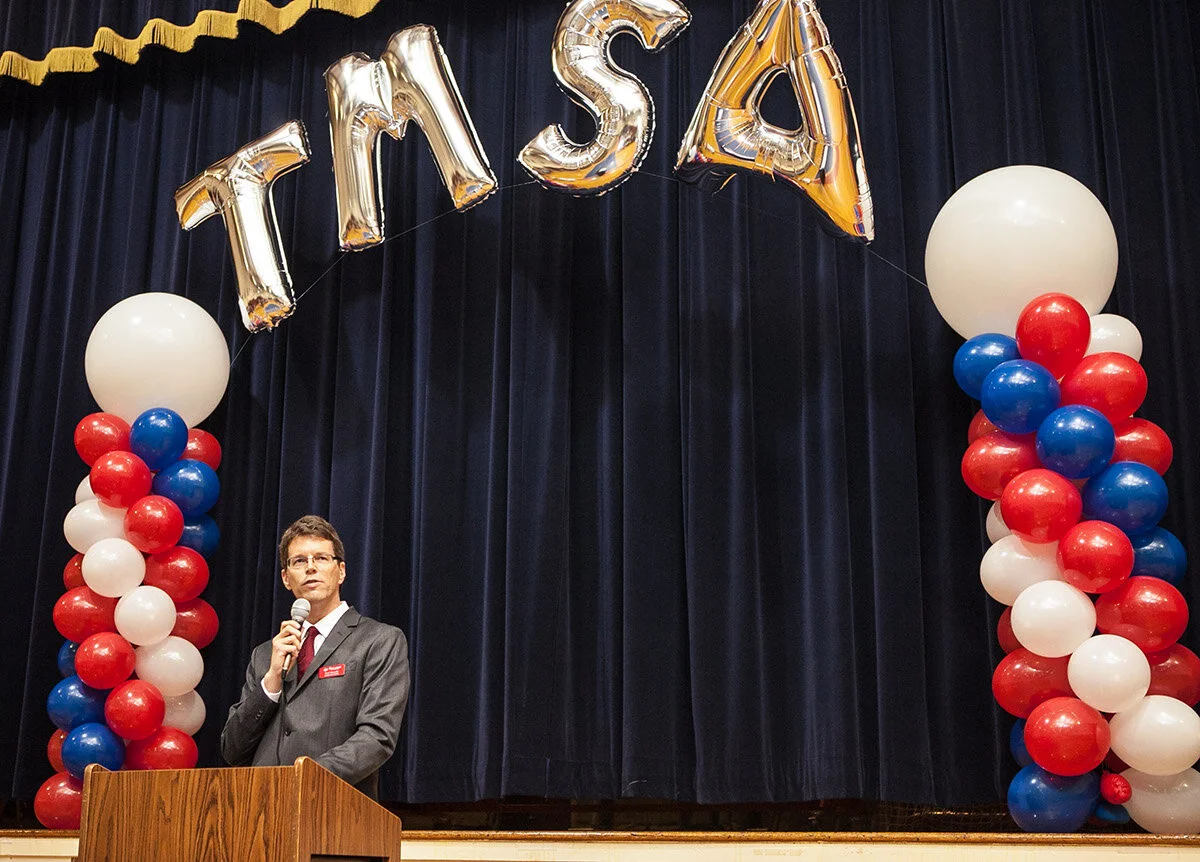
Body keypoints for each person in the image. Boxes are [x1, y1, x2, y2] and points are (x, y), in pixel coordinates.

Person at [221, 515, 409, 798]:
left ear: (341, 571)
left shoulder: (378, 640)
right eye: (298, 561)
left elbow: (377, 737)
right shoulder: (265, 655)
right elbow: (232, 749)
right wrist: (271, 681)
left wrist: (306, 778)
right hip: (262, 812)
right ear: (286, 578)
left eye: (321, 558)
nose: (310, 568)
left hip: (332, 811)